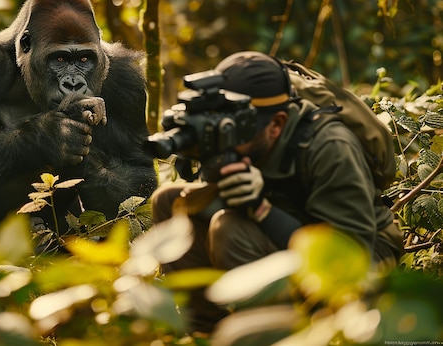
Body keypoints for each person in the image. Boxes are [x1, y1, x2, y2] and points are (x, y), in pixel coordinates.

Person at [151, 50, 404, 333]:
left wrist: (261, 209)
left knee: (229, 229)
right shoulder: (244, 133)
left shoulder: (331, 147)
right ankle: (208, 331)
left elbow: (347, 256)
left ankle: (282, 334)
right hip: (283, 222)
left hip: (357, 253)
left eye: (238, 133)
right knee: (170, 201)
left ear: (277, 124)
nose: (229, 141)